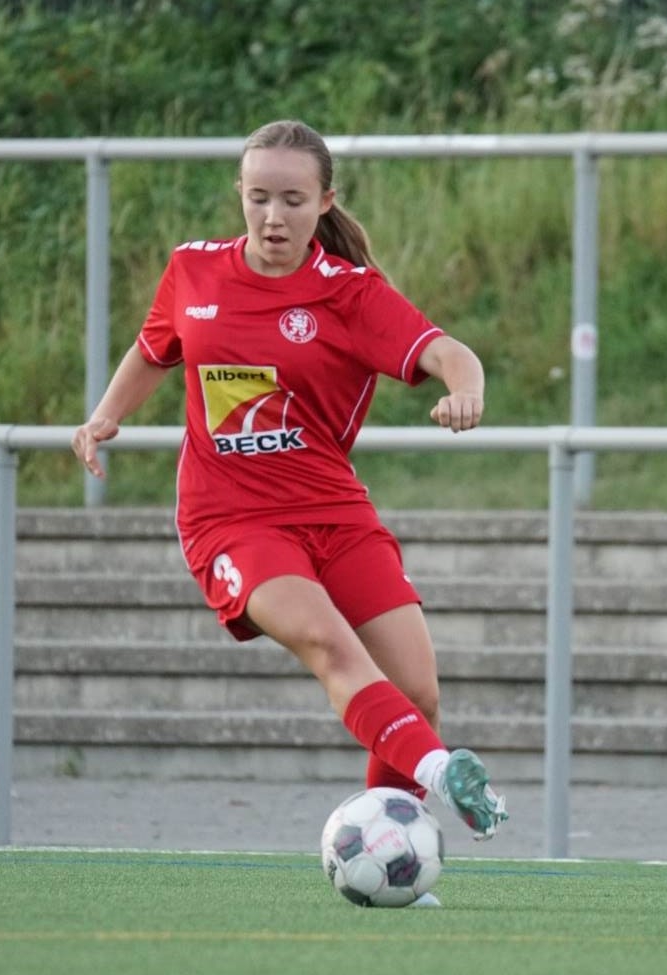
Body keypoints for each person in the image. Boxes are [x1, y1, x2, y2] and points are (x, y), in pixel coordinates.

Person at [71, 118, 507, 843]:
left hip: (334, 512)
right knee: (329, 646)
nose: (274, 216)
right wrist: (104, 415)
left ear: (325, 202)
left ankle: (388, 845)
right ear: (239, 194)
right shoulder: (193, 270)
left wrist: (467, 391)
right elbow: (154, 348)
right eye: (259, 198)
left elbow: (448, 352)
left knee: (417, 692)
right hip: (230, 519)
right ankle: (443, 774)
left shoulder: (350, 294)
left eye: (294, 201)